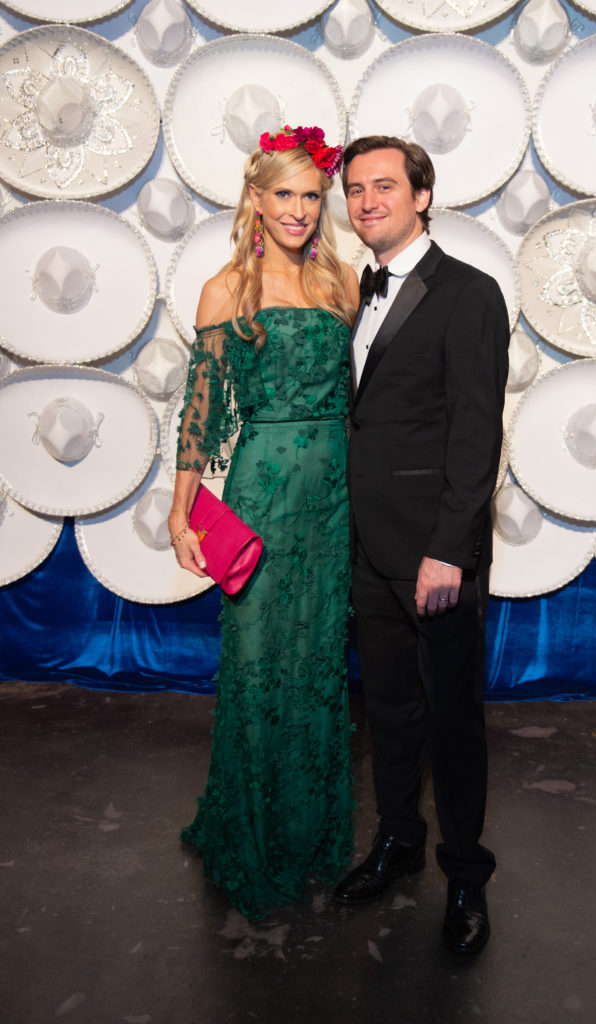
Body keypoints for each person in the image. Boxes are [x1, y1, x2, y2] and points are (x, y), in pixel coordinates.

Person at [168, 126, 359, 921]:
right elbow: (203, 411)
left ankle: (313, 834)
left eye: (312, 196)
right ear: (255, 199)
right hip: (260, 489)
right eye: (284, 194)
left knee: (317, 658)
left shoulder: (341, 284)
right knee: (254, 663)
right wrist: (180, 511)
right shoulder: (226, 290)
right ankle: (248, 832)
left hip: (335, 495)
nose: (299, 210)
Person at [334, 136, 509, 955]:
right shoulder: (357, 291)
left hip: (434, 555)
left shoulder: (467, 293)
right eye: (356, 189)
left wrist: (448, 548)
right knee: (392, 713)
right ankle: (399, 842)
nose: (367, 200)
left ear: (422, 196)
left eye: (384, 186)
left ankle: (466, 876)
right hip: (369, 548)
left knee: (451, 723)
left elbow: (476, 434)